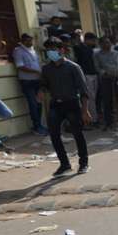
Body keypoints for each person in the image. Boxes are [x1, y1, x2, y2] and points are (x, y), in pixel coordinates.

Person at [39, 38, 92, 177]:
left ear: (61, 50)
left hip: (72, 103)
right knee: (54, 134)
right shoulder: (46, 69)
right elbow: (44, 84)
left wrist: (85, 110)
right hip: (56, 104)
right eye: (48, 50)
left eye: (53, 49)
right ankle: (64, 164)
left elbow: (84, 90)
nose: (50, 52)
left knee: (77, 134)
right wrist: (41, 91)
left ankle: (84, 163)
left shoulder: (73, 67)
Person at [11, 33, 46, 135]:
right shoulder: (18, 51)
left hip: (37, 81)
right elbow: (20, 66)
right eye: (28, 41)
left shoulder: (33, 50)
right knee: (33, 104)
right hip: (27, 81)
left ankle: (39, 125)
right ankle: (36, 127)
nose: (30, 42)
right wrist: (36, 71)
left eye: (31, 40)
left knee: (39, 104)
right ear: (23, 41)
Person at [93, 33, 118, 129]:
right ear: (100, 44)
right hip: (105, 79)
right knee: (107, 101)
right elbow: (97, 67)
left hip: (117, 78)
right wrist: (104, 73)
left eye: (109, 42)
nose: (107, 44)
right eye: (105, 43)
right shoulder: (97, 55)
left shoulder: (116, 53)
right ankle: (108, 122)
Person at [72, 31, 100, 126]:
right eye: (93, 40)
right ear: (87, 40)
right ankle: (92, 119)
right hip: (86, 75)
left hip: (93, 74)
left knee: (94, 98)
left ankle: (93, 118)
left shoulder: (92, 49)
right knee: (90, 98)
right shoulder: (80, 48)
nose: (95, 42)